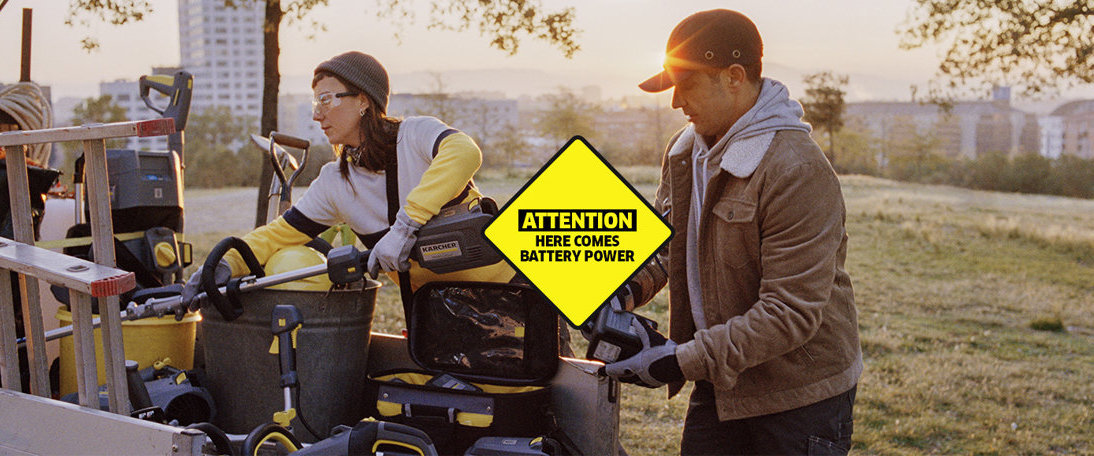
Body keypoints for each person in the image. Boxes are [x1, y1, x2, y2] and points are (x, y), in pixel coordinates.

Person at [601, 9, 862, 455]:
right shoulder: (685, 150)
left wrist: (678, 360)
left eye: (686, 85)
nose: (675, 103)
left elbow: (789, 313)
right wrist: (627, 288)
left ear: (734, 77)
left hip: (799, 396)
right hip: (722, 376)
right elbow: (670, 244)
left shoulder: (796, 169)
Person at [181, 51, 513, 300]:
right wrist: (221, 265)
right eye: (314, 101)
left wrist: (406, 226)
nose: (316, 113)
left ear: (363, 101)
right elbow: (275, 236)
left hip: (509, 294)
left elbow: (466, 152)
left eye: (326, 99)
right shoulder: (335, 184)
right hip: (439, 316)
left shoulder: (416, 135)